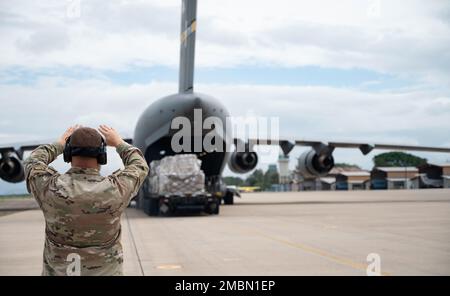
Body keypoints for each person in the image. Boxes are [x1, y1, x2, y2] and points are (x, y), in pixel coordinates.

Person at [23, 125, 149, 276]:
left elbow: (32, 161)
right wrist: (118, 142)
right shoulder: (115, 190)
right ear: (102, 156)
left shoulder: (50, 189)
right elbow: (139, 165)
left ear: (68, 154)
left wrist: (59, 144)